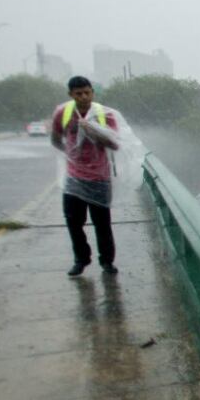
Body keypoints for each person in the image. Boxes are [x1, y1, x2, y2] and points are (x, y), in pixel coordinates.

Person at [50, 76, 120, 276]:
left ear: (92, 92)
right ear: (71, 94)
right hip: (74, 177)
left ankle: (107, 262)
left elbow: (114, 143)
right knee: (73, 222)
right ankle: (81, 260)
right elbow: (56, 138)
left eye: (87, 92)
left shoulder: (104, 114)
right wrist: (70, 154)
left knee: (102, 224)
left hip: (100, 177)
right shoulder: (63, 113)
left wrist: (93, 130)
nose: (83, 97)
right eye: (78, 93)